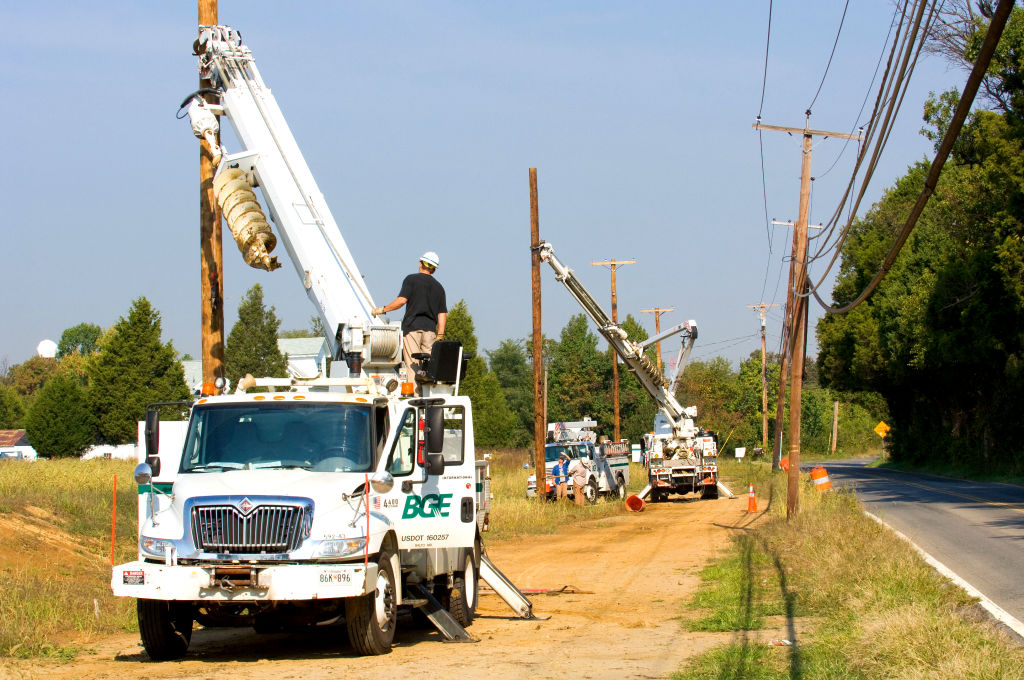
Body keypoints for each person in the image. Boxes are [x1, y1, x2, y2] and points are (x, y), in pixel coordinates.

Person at [372, 251, 447, 384]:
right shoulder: (439, 288)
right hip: (430, 331)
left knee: (413, 365)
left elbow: (401, 301)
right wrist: (440, 334)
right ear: (434, 270)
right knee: (427, 366)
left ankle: (416, 399)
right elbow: (442, 314)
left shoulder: (411, 280)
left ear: (420, 264)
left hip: (412, 328)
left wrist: (383, 310)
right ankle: (426, 396)